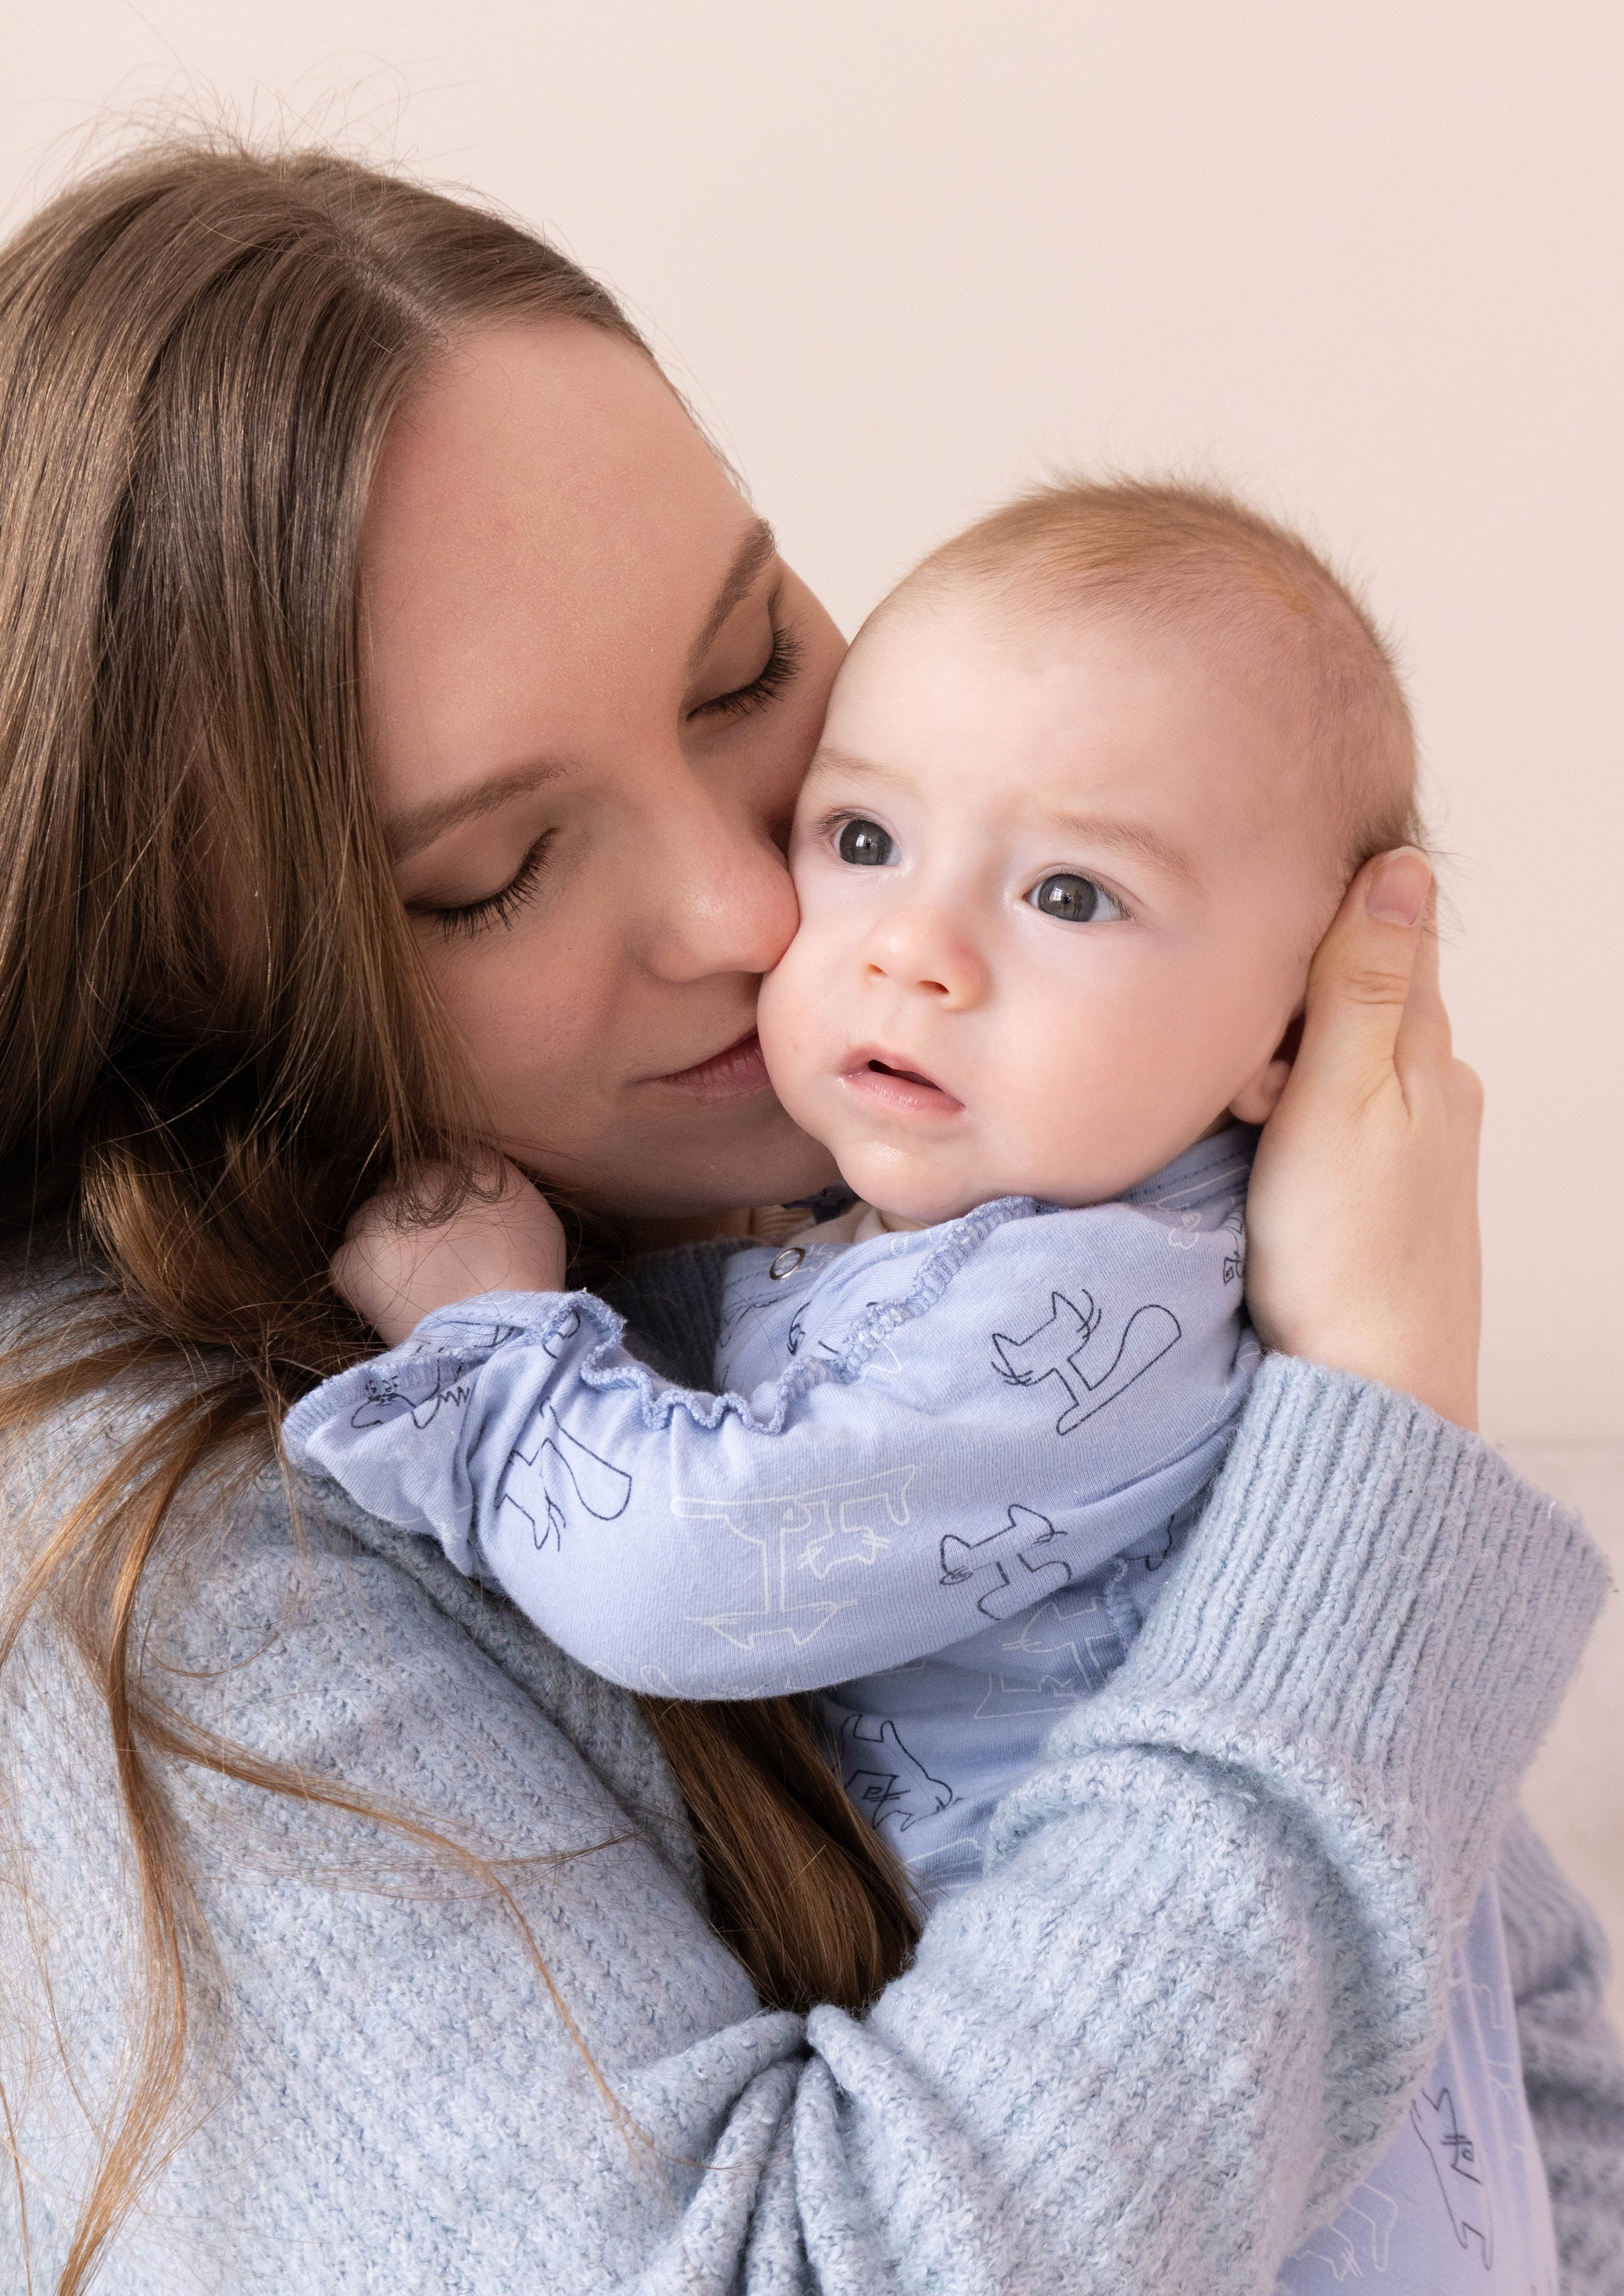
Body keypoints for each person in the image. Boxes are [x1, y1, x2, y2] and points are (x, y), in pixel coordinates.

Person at [0, 141, 1615, 2295]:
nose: (764, 903)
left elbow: (1496, 2024)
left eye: (746, 667)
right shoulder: (66, 1544)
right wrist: (1368, 1433)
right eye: (490, 874)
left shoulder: (908, 1215)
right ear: (193, 991)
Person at [283, 477, 1560, 2290]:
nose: (913, 946)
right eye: (865, 836)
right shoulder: (977, 1226)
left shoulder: (1090, 1295)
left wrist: (488, 1337)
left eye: (1070, 891)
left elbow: (686, 1566)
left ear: (1301, 1022)